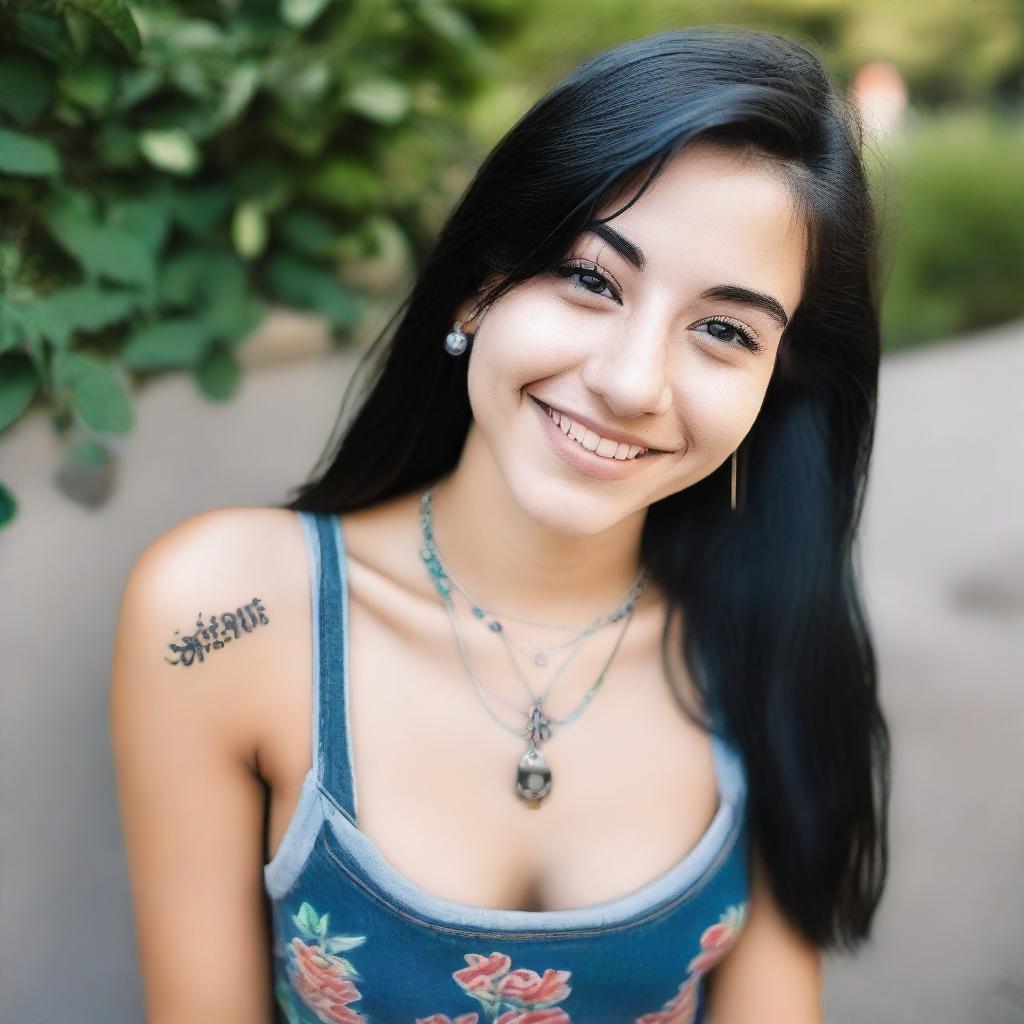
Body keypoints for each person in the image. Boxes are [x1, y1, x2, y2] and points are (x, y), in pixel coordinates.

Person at [110, 25, 890, 1024]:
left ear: (773, 390)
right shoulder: (223, 613)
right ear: (482, 284)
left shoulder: (767, 645)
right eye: (592, 278)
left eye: (724, 331)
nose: (628, 381)